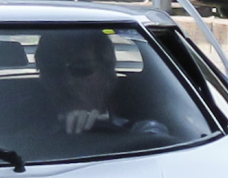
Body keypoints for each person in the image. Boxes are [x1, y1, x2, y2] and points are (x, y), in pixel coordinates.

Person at [35, 27, 172, 141]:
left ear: (107, 76)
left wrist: (106, 130)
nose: (68, 82)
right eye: (53, 70)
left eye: (81, 69)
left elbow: (158, 140)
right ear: (42, 78)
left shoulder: (136, 130)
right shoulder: (25, 133)